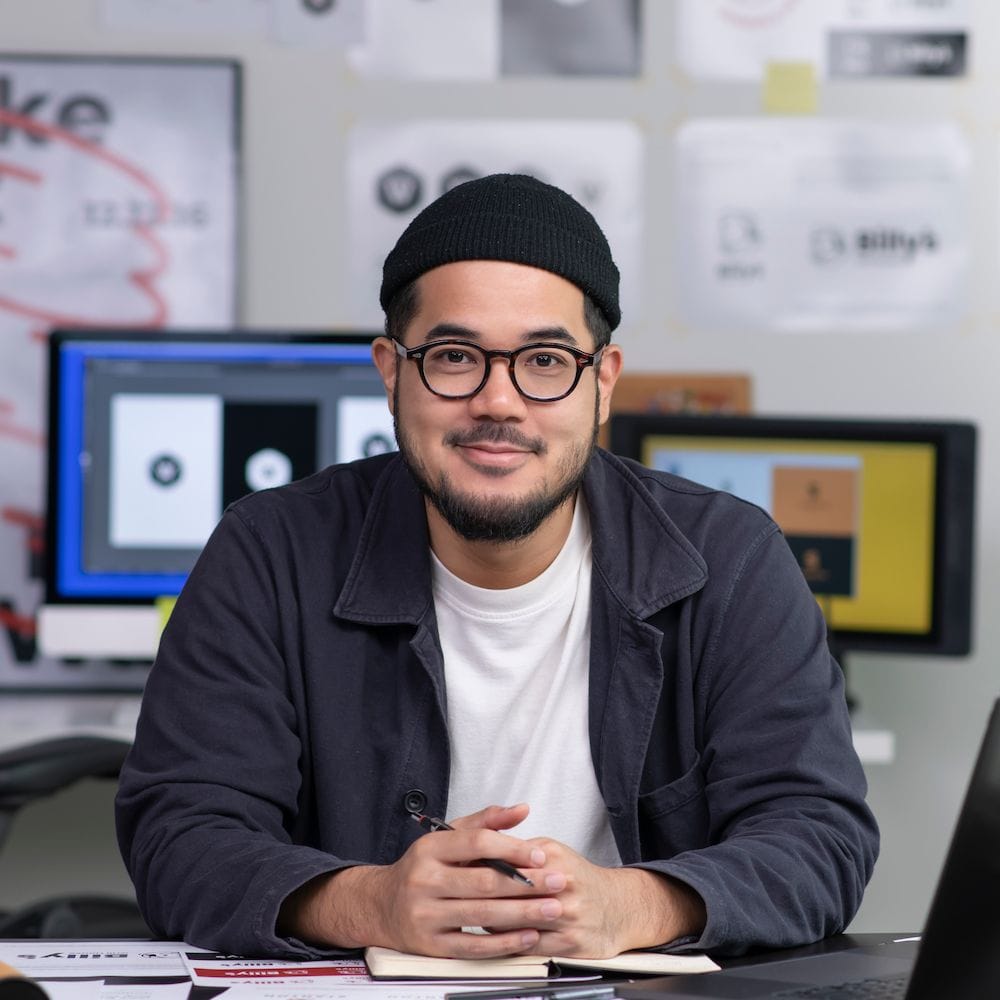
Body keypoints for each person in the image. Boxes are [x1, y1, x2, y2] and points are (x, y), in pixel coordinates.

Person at [115, 173, 878, 959]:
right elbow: (180, 834)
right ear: (391, 371)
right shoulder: (268, 553)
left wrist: (635, 905)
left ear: (603, 381)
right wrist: (369, 903)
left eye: (545, 361)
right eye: (454, 356)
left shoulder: (730, 559)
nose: (499, 402)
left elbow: (819, 835)